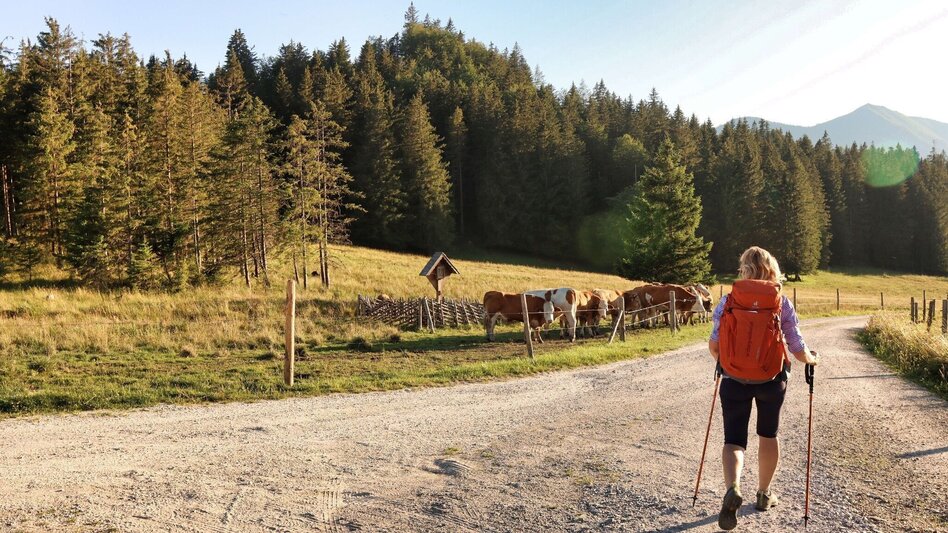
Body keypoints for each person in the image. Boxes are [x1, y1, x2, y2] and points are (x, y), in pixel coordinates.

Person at [707, 246, 820, 531]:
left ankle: (733, 487)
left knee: (734, 439)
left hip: (733, 379)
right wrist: (812, 358)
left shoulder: (728, 300)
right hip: (771, 380)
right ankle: (763, 494)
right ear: (773, 269)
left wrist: (727, 363)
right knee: (768, 433)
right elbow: (796, 347)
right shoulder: (781, 302)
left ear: (743, 269)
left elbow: (714, 343)